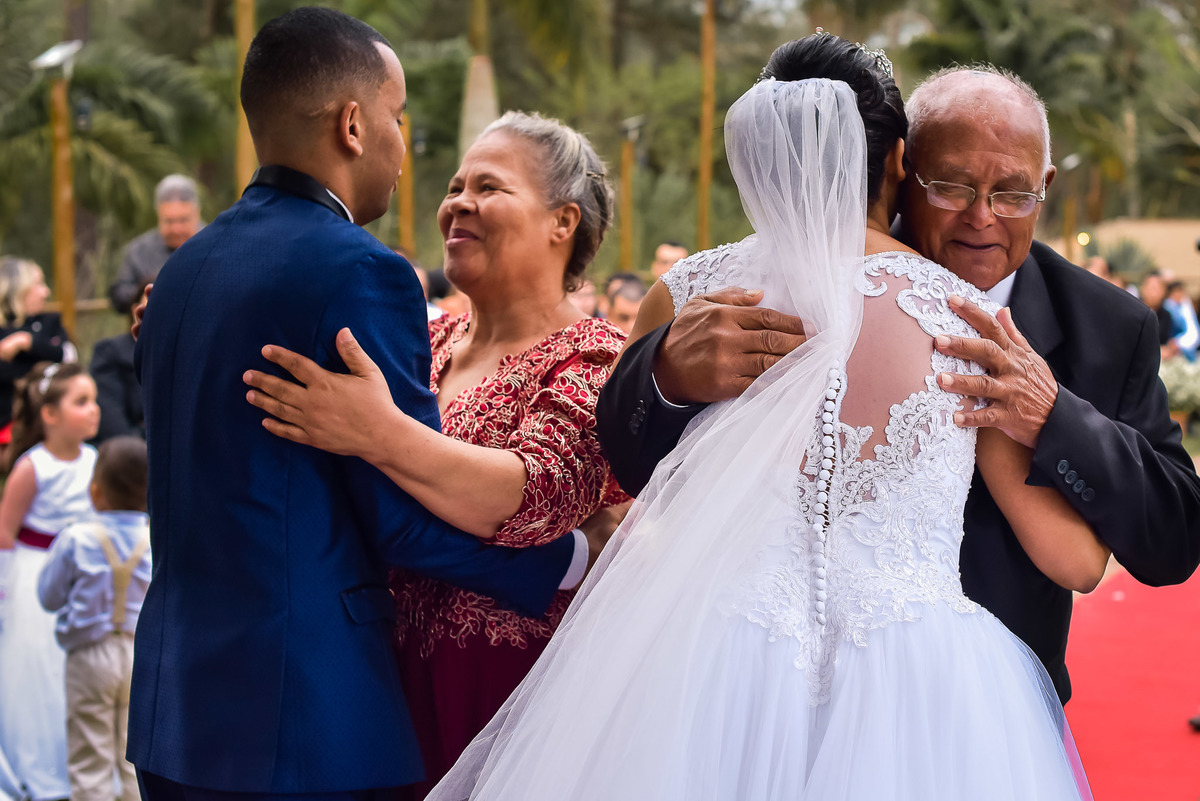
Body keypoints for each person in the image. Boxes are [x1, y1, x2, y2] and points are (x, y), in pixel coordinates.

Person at [424, 35, 1098, 799]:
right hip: (920, 677)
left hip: (705, 663)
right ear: (895, 162)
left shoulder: (687, 292)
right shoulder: (963, 316)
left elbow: (614, 461)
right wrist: (1048, 414)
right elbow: (1074, 559)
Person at [597, 63, 1200, 705]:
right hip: (742, 671)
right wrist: (665, 377)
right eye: (952, 186)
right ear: (902, 169)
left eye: (1013, 194)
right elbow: (632, 466)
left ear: (1045, 186)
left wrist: (1055, 416)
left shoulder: (1109, 324)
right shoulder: (757, 288)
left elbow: (1172, 541)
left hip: (977, 702)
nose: (981, 216)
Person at [129, 8, 585, 799]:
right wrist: (567, 559)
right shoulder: (359, 272)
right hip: (305, 716)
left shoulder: (181, 274)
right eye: (397, 117)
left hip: (175, 710)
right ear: (351, 124)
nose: (403, 145)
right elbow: (399, 518)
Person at [244, 110, 630, 798]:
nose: (458, 203)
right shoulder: (429, 337)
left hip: (511, 693)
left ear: (562, 222)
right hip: (379, 679)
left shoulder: (594, 356)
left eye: (489, 186)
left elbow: (534, 496)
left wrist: (378, 433)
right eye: (455, 186)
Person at [0, 362, 100, 801]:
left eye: (94, 400)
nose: (95, 410)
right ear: (50, 414)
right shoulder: (31, 467)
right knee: (37, 672)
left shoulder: (96, 461)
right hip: (33, 577)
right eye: (82, 402)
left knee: (75, 672)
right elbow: (5, 530)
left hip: (81, 581)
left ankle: (76, 761)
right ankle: (37, 765)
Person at [37, 436, 150, 801]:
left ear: (95, 491)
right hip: (140, 655)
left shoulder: (76, 539)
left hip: (89, 656)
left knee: (89, 750)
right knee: (135, 752)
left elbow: (49, 596)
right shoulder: (156, 539)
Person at [0, 257, 77, 450]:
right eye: (39, 284)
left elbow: (69, 358)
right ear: (17, 289)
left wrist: (27, 342)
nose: (46, 292)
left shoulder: (50, 322)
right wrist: (45, 360)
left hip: (47, 420)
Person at [108, 175, 203, 315]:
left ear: (197, 214)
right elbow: (119, 294)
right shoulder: (138, 251)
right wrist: (149, 294)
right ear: (158, 215)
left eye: (183, 220)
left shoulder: (218, 244)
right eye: (169, 221)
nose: (176, 229)